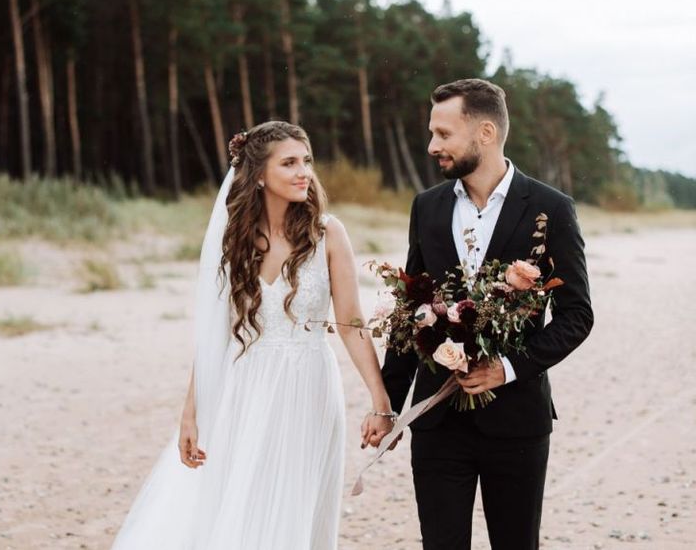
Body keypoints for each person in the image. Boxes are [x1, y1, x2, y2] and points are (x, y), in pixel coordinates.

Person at [112, 120, 394, 550]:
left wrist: (381, 400)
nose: (304, 172)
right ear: (260, 175)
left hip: (309, 386)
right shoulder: (233, 239)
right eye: (290, 163)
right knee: (238, 503)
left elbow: (351, 322)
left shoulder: (327, 233)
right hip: (242, 386)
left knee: (295, 507)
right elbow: (217, 332)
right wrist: (193, 412)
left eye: (307, 161)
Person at [381, 79, 593, 550]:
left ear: (485, 132)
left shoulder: (551, 209)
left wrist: (508, 369)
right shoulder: (427, 207)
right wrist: (389, 405)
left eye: (443, 133)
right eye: (432, 133)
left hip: (517, 421)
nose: (432, 145)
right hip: (436, 420)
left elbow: (577, 315)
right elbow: (409, 311)